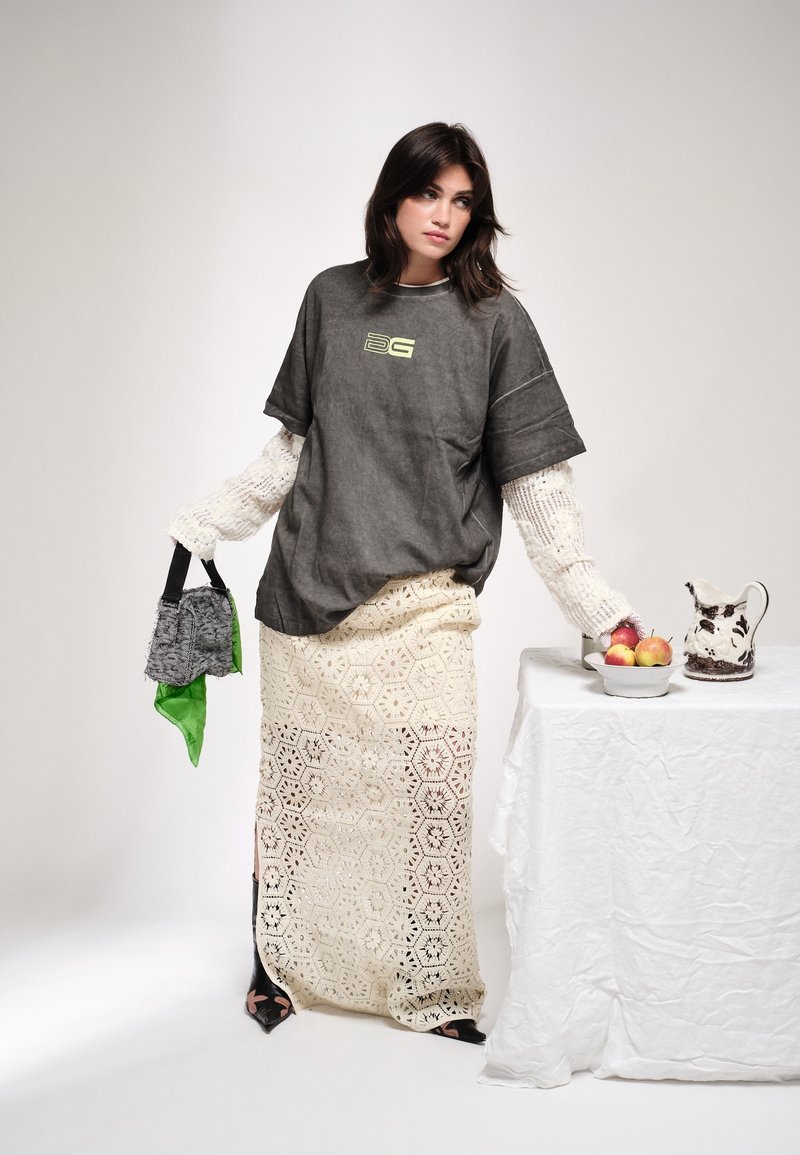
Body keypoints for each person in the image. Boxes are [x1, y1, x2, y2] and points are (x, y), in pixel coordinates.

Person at [168, 122, 644, 1045]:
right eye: (431, 194)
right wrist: (202, 524)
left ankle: (432, 989)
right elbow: (291, 454)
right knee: (296, 794)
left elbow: (538, 490)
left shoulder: (496, 322)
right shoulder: (331, 300)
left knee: (430, 789)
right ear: (393, 199)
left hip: (425, 605)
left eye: (463, 200)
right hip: (308, 601)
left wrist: (601, 607)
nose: (445, 215)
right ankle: (277, 969)